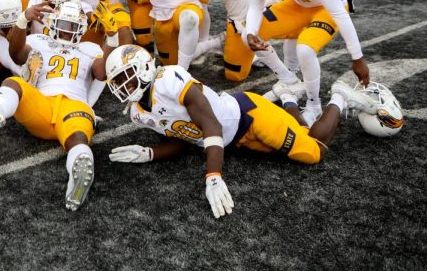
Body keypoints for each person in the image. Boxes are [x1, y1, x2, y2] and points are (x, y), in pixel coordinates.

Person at [104, 44, 388, 219]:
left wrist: (213, 176)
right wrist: (150, 153)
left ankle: (339, 97)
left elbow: (210, 125)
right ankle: (285, 96)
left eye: (125, 79)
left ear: (143, 69)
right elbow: (185, 138)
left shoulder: (169, 80)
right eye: (116, 82)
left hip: (249, 116)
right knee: (300, 130)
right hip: (234, 139)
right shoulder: (137, 111)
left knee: (312, 151)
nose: (121, 88)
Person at [0, 0, 116, 211]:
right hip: (41, 104)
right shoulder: (40, 40)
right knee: (14, 83)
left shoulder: (89, 48)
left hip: (73, 106)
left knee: (79, 141)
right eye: (63, 24)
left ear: (81, 29)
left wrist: (112, 37)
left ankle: (78, 178)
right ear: (53, 23)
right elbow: (16, 54)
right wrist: (23, 19)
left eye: (72, 27)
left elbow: (102, 72)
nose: (66, 31)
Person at [242, 0, 369, 124]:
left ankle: (314, 105)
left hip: (329, 5)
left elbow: (338, 13)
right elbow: (255, 6)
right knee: (246, 34)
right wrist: (251, 32)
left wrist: (357, 58)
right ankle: (289, 81)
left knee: (305, 49)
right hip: (300, 3)